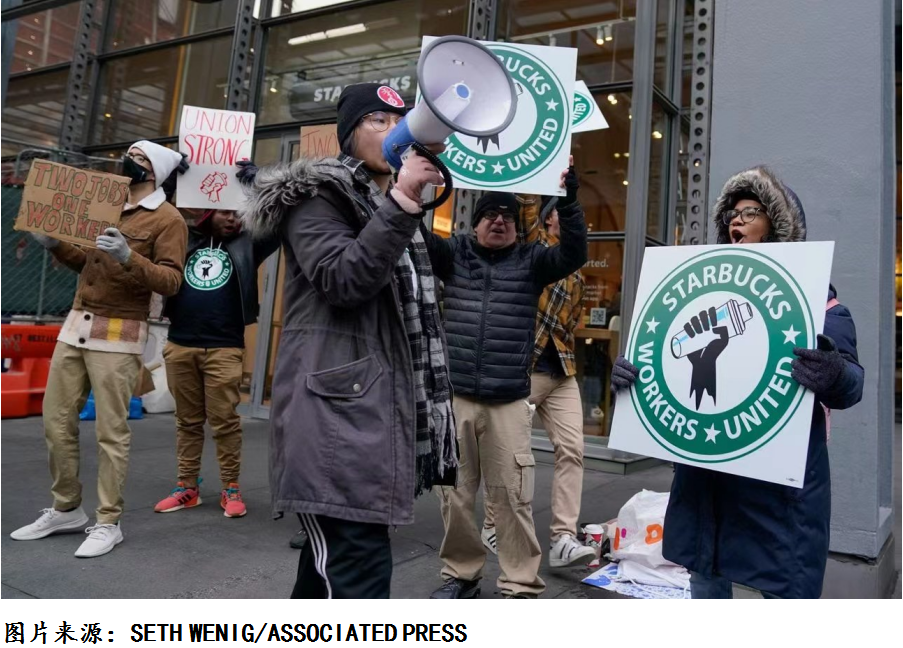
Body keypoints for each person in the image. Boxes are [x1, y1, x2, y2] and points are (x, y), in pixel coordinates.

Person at [239, 82, 456, 598]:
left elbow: (459, 265)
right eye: (377, 121)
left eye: (399, 119)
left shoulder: (384, 205)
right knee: (357, 574)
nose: (392, 128)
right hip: (334, 420)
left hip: (364, 417)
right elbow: (343, 280)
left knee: (327, 578)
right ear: (347, 135)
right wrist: (403, 200)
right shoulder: (317, 196)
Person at [610, 166, 864, 598]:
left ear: (780, 228)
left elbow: (852, 383)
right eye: (732, 212)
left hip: (779, 496)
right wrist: (637, 381)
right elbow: (670, 365)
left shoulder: (823, 307)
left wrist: (835, 373)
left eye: (751, 211)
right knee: (706, 583)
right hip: (706, 488)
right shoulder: (703, 303)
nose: (736, 219)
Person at [12, 140, 187, 558]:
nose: (130, 162)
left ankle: (108, 521)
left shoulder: (168, 219)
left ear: (156, 172)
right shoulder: (104, 203)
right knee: (55, 422)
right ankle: (66, 508)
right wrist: (55, 245)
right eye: (130, 155)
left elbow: (171, 282)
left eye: (141, 158)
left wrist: (130, 256)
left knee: (111, 432)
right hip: (76, 326)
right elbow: (88, 263)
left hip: (120, 331)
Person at [425, 165, 588, 599]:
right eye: (489, 214)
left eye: (507, 217)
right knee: (455, 497)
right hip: (457, 398)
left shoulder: (534, 261)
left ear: (518, 228)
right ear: (473, 222)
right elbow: (414, 237)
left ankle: (519, 584)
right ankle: (461, 575)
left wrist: (569, 203)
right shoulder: (454, 253)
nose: (498, 220)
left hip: (509, 402)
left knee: (512, 498)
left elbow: (573, 255)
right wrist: (419, 187)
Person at [479, 190, 595, 568]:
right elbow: (526, 204)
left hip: (561, 371)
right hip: (525, 368)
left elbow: (573, 321)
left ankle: (563, 538)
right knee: (511, 453)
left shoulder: (575, 265)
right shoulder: (534, 245)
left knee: (572, 449)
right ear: (547, 218)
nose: (576, 219)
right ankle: (493, 524)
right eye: (564, 213)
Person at [153, 201, 279, 518]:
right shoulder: (184, 238)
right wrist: (175, 178)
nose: (233, 218)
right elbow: (159, 212)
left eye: (238, 213)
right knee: (188, 422)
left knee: (225, 422)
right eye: (226, 211)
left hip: (224, 347)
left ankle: (231, 488)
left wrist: (259, 185)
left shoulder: (247, 243)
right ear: (209, 212)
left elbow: (278, 223)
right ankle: (187, 488)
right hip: (181, 344)